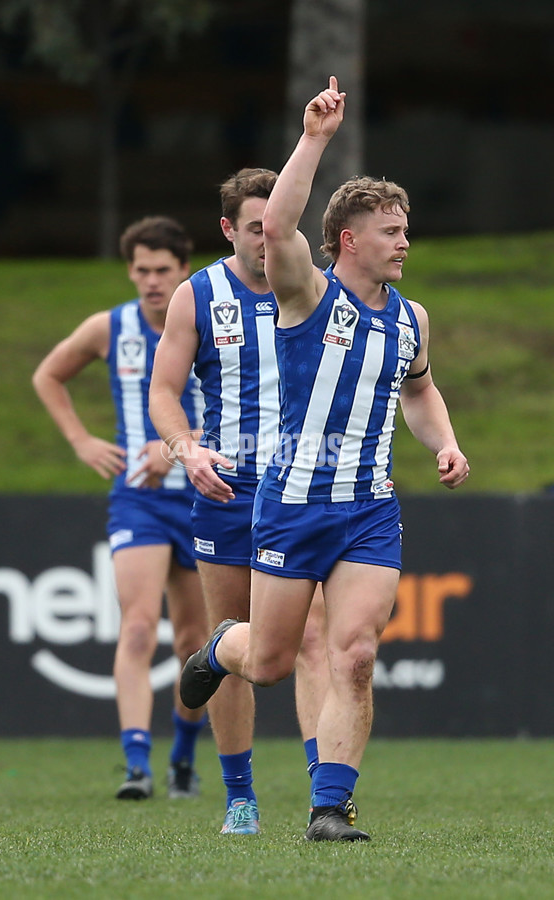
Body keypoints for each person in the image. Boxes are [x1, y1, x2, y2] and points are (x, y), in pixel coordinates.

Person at [179, 77, 470, 842]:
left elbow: (420, 393)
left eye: (407, 229)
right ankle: (221, 648)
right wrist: (314, 139)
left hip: (369, 508)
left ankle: (330, 809)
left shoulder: (413, 319)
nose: (405, 241)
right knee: (270, 661)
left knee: (356, 654)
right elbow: (276, 229)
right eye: (391, 230)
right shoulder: (306, 294)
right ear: (348, 239)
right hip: (293, 501)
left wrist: (445, 442)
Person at [149, 169, 329, 835]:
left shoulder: (319, 289)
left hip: (307, 489)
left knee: (312, 638)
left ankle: (325, 798)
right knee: (228, 643)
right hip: (227, 488)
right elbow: (164, 391)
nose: (268, 237)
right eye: (255, 226)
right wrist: (184, 449)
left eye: (277, 223)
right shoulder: (197, 296)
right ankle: (240, 800)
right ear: (229, 229)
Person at [32, 216, 209, 801]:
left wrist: (174, 447)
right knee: (136, 628)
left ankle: (184, 754)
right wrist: (82, 441)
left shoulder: (212, 320)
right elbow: (48, 375)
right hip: (140, 500)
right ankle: (137, 763)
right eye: (141, 271)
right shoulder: (111, 328)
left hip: (207, 497)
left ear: (183, 270)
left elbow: (246, 404)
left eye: (163, 270)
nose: (152, 282)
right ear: (130, 272)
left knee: (193, 643)